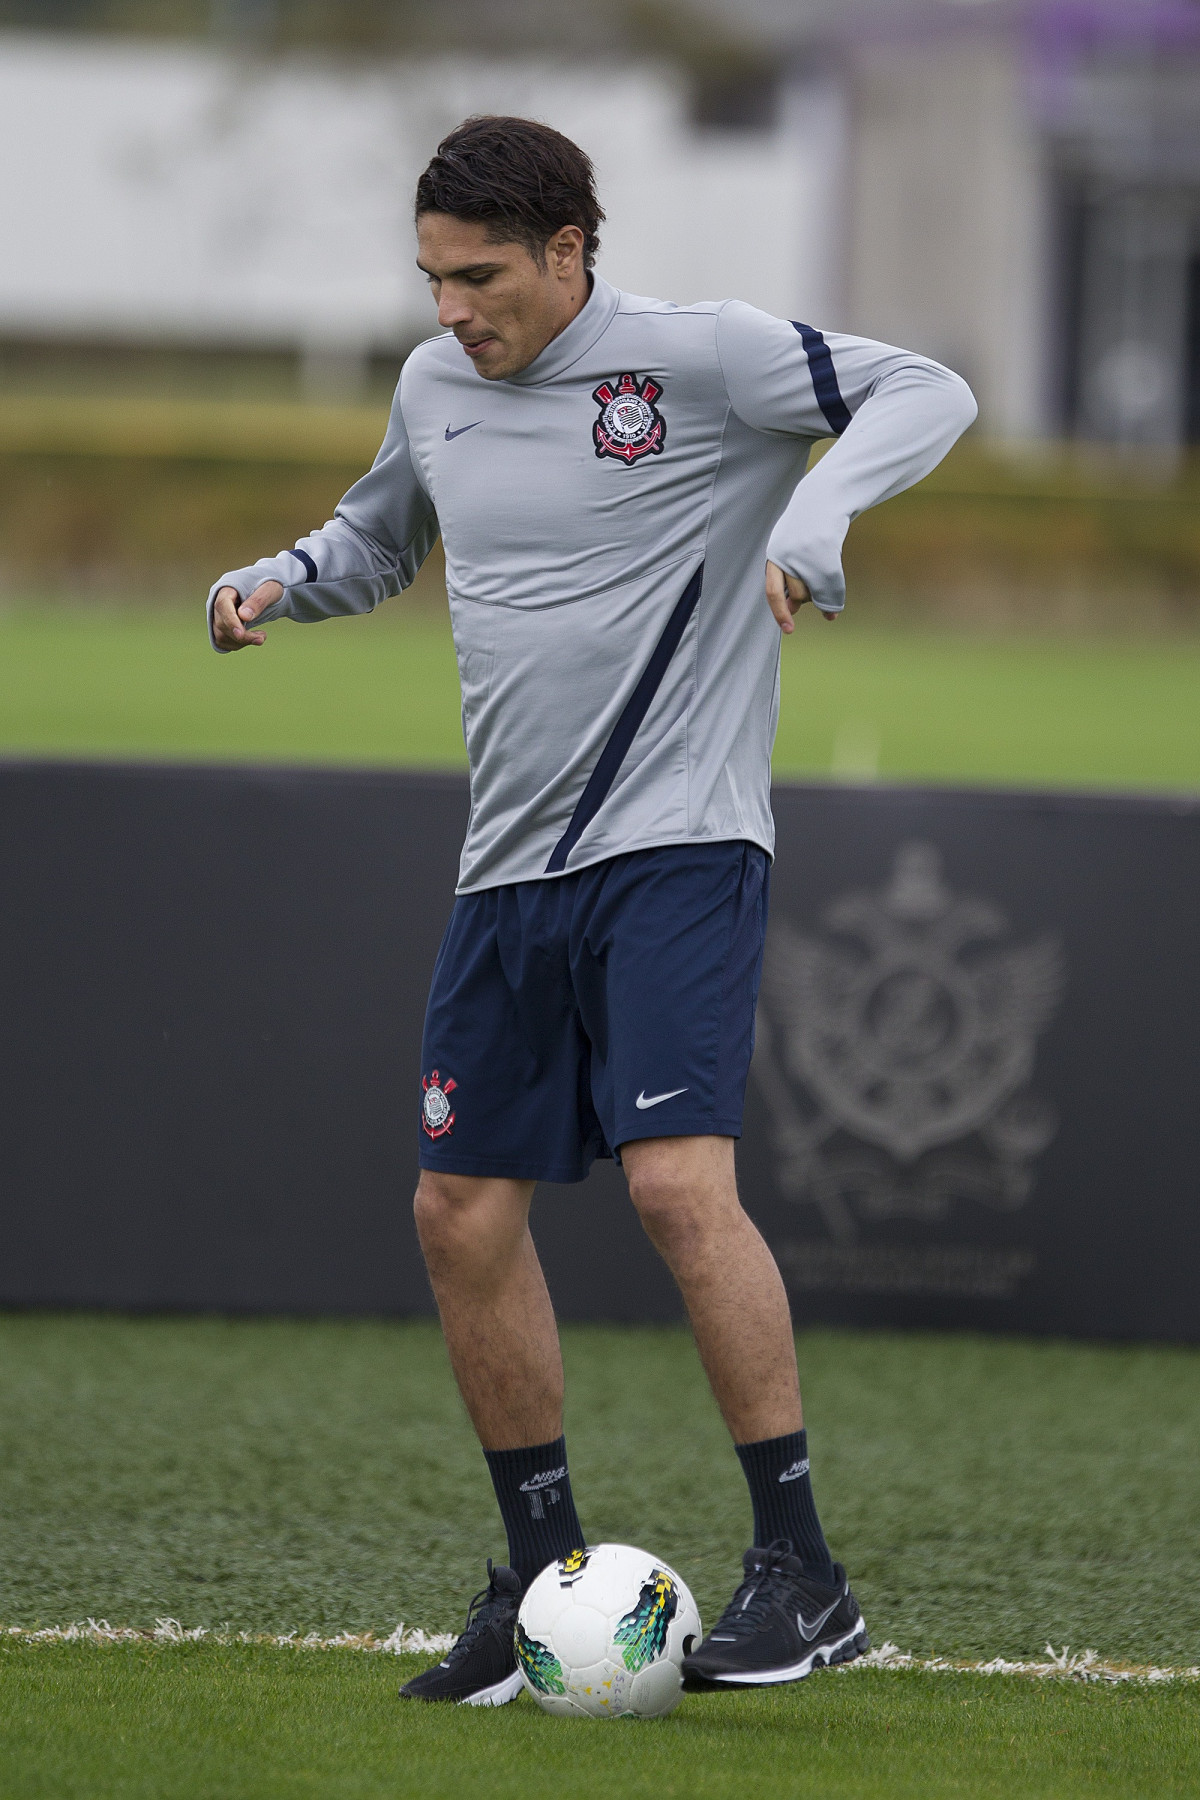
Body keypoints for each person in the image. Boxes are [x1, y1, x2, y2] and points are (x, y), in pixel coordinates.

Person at [209, 115, 975, 1703]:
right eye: (430, 278)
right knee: (459, 1215)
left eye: (479, 276)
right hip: (509, 871)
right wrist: (286, 576)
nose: (450, 312)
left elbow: (931, 388)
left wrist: (819, 514)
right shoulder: (436, 389)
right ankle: (532, 1576)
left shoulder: (701, 361)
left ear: (571, 251)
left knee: (679, 1190)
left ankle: (805, 1575)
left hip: (680, 844)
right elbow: (381, 535)